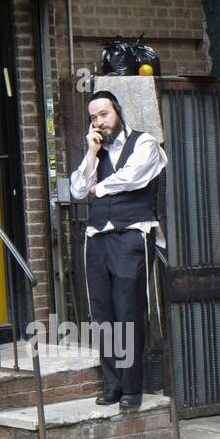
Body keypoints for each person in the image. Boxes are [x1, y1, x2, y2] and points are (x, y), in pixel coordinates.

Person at [69, 90, 167, 409]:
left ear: (118, 112)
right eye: (93, 117)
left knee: (128, 311)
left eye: (104, 114)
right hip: (97, 238)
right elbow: (77, 189)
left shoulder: (144, 143)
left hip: (131, 235)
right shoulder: (95, 152)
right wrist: (90, 153)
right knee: (103, 313)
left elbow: (133, 177)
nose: (99, 122)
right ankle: (112, 384)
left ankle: (132, 388)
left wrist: (98, 187)